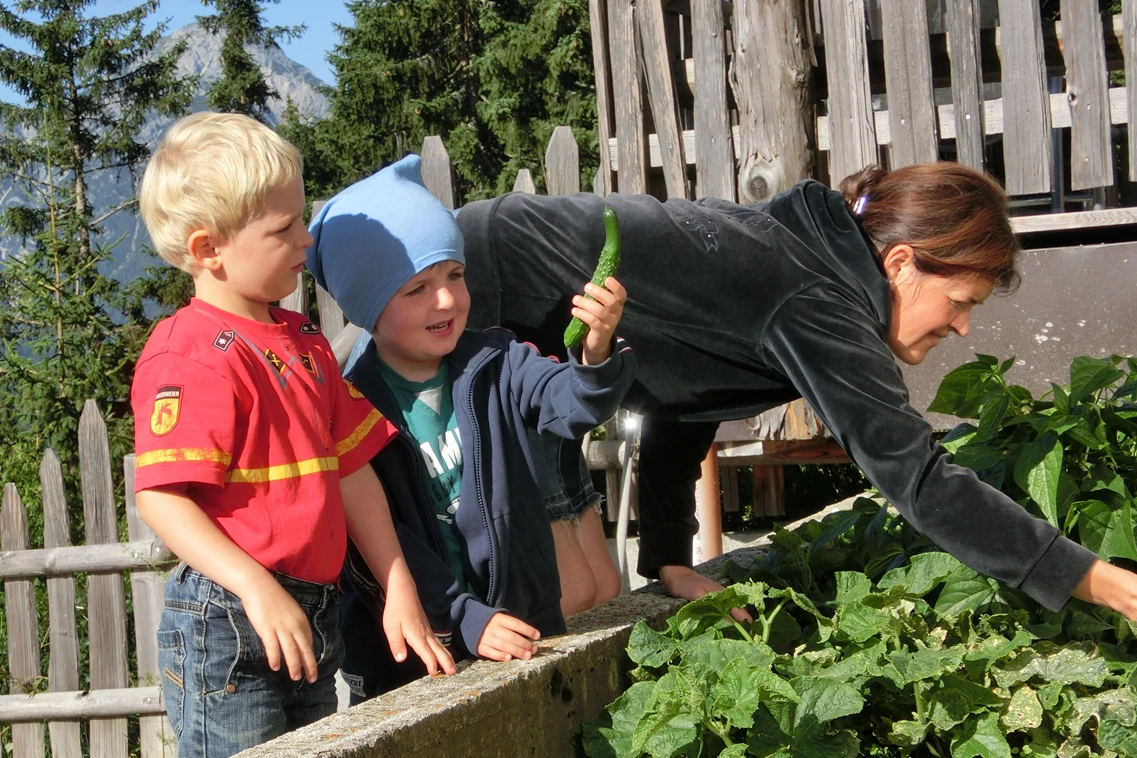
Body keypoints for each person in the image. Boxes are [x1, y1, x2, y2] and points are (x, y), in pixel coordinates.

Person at [453, 161, 1137, 621]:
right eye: (958, 301)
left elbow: (684, 399)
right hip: (479, 298)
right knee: (524, 593)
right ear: (899, 263)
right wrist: (1106, 584)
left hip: (509, 305)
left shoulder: (809, 262)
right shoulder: (817, 301)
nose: (960, 327)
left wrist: (667, 559)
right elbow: (918, 479)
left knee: (585, 590)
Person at [130, 113, 455, 757]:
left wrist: (398, 588)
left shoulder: (306, 343)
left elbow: (354, 474)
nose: (306, 239)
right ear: (207, 250)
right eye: (284, 228)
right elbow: (162, 498)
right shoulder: (189, 355)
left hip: (312, 613)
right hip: (228, 620)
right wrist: (256, 587)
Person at [305, 155, 637, 701]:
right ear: (369, 307)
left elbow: (572, 404)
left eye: (454, 275)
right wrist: (464, 619)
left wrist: (596, 351)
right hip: (419, 663)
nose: (446, 300)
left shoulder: (497, 359)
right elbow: (382, 547)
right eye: (416, 289)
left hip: (523, 627)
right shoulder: (355, 408)